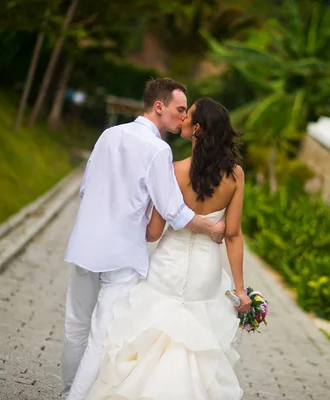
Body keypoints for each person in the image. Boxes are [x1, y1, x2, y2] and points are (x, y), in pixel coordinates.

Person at [62, 79, 228, 400]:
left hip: (85, 245)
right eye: (180, 110)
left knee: (75, 330)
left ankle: (68, 391)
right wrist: (209, 228)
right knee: (101, 338)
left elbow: (85, 188)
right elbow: (174, 211)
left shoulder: (108, 135)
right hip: (122, 256)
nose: (184, 117)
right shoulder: (158, 149)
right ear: (159, 107)